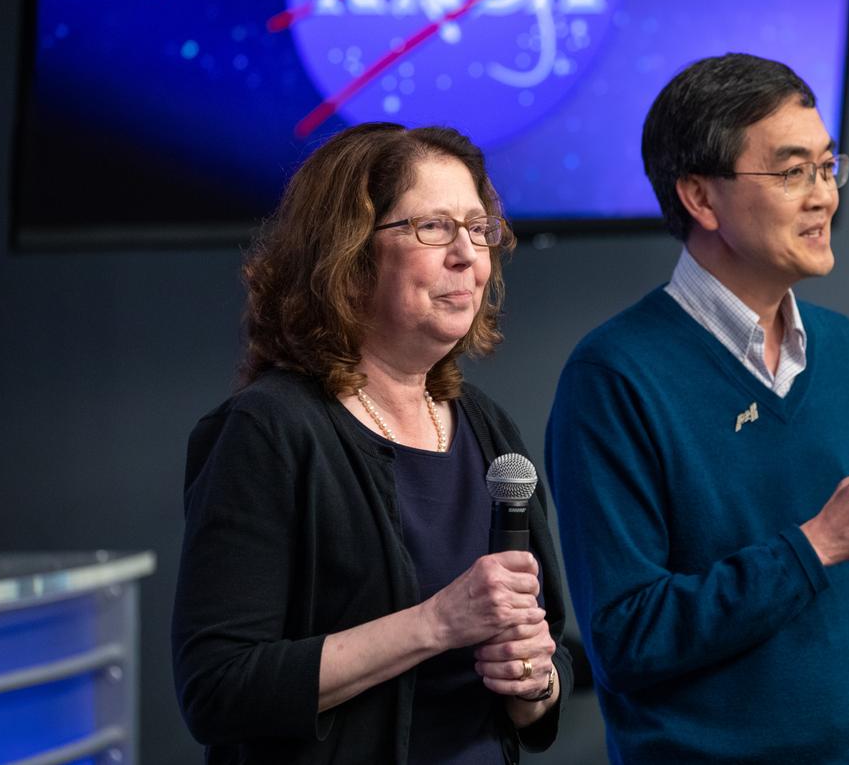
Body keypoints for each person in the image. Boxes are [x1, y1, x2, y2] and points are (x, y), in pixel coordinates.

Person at [545, 54, 849, 763]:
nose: (823, 196)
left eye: (827, 165)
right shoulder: (614, 375)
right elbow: (624, 638)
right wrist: (816, 544)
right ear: (700, 197)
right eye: (790, 173)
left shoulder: (848, 354)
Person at [172, 123, 571, 764]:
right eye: (433, 227)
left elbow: (548, 647)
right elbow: (218, 688)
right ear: (350, 256)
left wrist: (534, 683)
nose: (467, 254)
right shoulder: (269, 429)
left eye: (478, 228)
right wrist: (435, 623)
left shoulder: (489, 428)